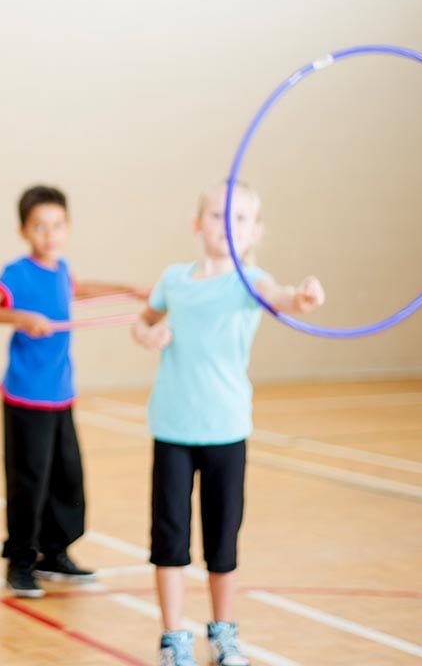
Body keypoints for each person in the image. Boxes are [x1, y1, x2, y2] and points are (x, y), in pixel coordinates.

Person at [131, 181, 325, 666]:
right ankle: (174, 637)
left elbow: (280, 297)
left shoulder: (250, 281)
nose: (228, 227)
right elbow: (143, 320)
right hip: (173, 428)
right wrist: (148, 334)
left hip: (226, 429)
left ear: (256, 231)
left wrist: (303, 297)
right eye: (218, 216)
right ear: (198, 226)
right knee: (169, 538)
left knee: (222, 538)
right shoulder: (174, 278)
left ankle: (223, 633)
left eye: (240, 219)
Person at [0, 185, 150, 598]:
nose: (49, 234)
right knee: (29, 482)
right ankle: (21, 562)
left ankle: (55, 553)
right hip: (26, 397)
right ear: (24, 231)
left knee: (67, 480)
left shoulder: (62, 270)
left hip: (61, 395)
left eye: (57, 225)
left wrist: (130, 290)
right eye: (40, 227)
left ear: (67, 228)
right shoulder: (17, 273)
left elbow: (78, 288)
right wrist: (20, 316)